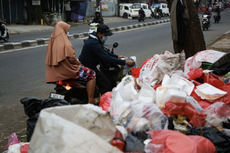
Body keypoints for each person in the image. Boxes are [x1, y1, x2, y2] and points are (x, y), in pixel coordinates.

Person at [45, 21, 97, 104]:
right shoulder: (65, 42)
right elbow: (72, 58)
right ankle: (91, 100)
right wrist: (79, 63)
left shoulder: (52, 42)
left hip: (57, 73)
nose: (68, 32)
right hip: (68, 71)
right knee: (92, 73)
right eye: (67, 30)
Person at [79, 24, 134, 95]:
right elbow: (106, 58)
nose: (106, 37)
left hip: (88, 65)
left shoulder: (95, 39)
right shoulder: (94, 43)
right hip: (88, 67)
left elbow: (104, 52)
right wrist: (125, 62)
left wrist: (117, 56)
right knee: (106, 84)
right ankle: (100, 101)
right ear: (99, 34)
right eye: (105, 35)